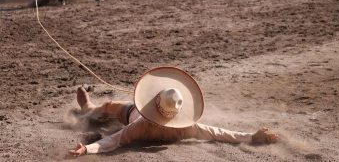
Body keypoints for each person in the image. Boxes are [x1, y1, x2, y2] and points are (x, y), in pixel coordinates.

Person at [69, 67, 278, 157]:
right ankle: (87, 108)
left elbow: (115, 140)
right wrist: (251, 136)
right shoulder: (183, 128)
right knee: (101, 109)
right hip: (130, 111)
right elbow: (217, 132)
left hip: (130, 113)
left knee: (107, 107)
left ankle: (89, 107)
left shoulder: (147, 126)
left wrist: (87, 149)